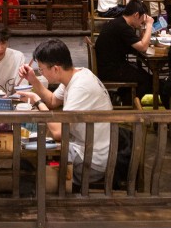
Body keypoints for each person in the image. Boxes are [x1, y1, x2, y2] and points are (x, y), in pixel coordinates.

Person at [17, 38, 113, 189]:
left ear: (55, 69)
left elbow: (59, 132)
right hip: (84, 147)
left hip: (91, 161)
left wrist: (37, 101)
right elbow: (53, 101)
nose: (41, 73)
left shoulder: (80, 87)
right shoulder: (76, 74)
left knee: (29, 151)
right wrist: (33, 80)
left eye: (41, 70)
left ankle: (39, 194)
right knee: (30, 145)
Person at [94, 0, 154, 98]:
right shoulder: (123, 27)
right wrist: (149, 25)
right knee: (146, 79)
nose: (142, 22)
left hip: (108, 66)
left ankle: (122, 97)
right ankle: (129, 101)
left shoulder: (120, 22)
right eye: (142, 19)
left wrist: (142, 28)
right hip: (110, 70)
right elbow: (143, 47)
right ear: (136, 15)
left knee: (141, 72)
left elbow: (139, 44)